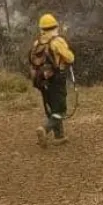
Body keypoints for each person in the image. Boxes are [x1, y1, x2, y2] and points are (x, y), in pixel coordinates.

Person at [29, 13, 75, 147]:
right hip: (56, 78)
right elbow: (70, 58)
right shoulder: (57, 41)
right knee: (60, 110)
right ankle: (44, 129)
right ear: (55, 26)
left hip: (42, 79)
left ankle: (59, 136)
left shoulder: (37, 42)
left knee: (52, 108)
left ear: (42, 28)